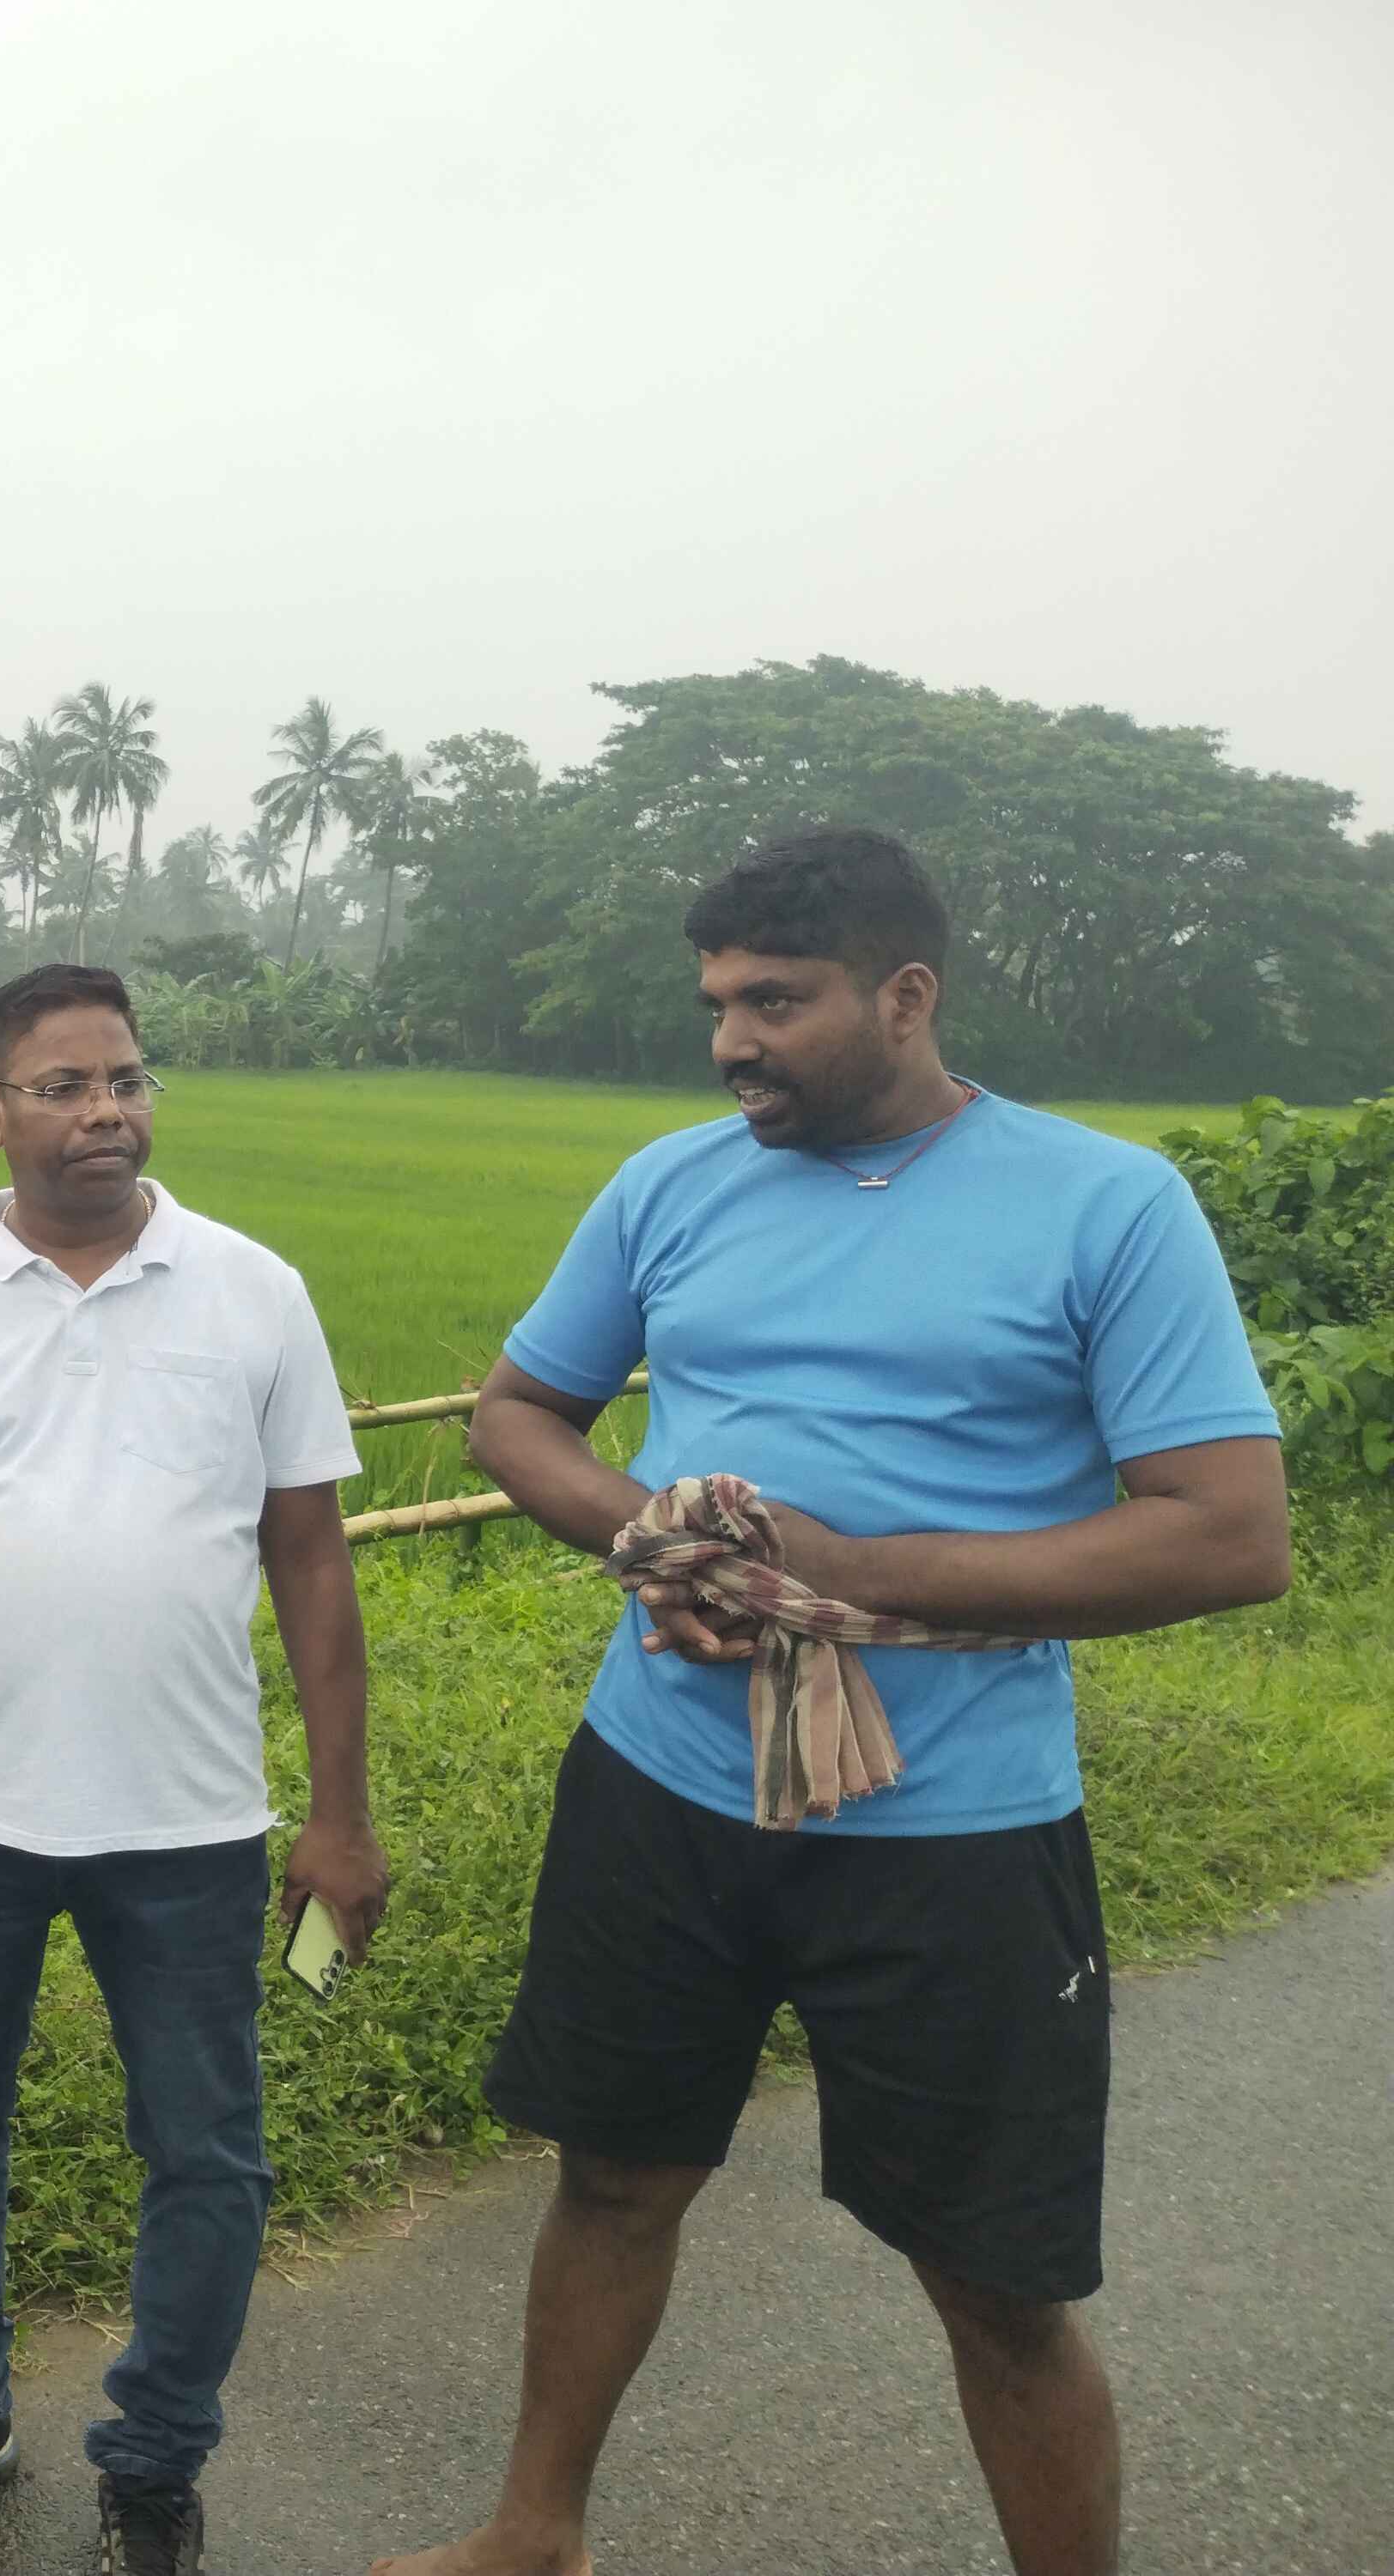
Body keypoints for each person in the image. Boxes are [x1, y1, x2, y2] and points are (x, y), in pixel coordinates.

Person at [371, 830, 1290, 2576]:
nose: (731, 1041)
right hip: (660, 1782)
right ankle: (531, 2535)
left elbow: (1227, 1532)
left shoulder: (1103, 1204)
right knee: (612, 2175)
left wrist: (851, 1567)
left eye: (774, 1004)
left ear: (905, 995)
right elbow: (516, 1417)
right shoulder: (670, 1185)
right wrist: (649, 1541)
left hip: (952, 1826)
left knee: (995, 2279)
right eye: (717, 1004)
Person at [0, 963, 390, 2576]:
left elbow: (312, 1563)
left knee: (207, 2148)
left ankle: (154, 2456)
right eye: (62, 1086)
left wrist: (340, 1815)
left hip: (191, 1823)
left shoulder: (253, 1292)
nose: (105, 1111)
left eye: (126, 1079)